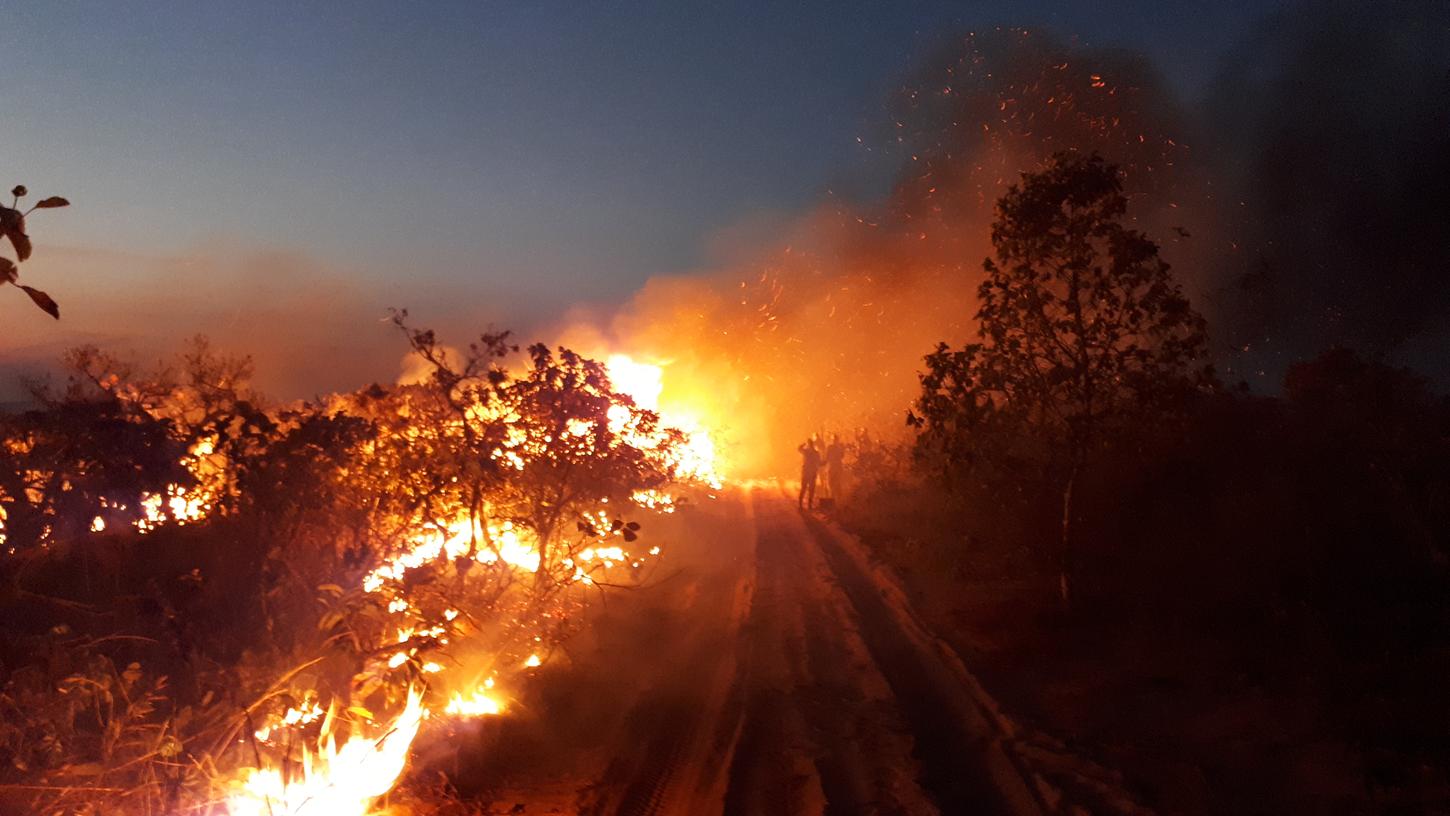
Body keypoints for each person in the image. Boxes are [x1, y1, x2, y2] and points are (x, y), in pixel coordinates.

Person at [797, 437, 822, 510]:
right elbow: (820, 463)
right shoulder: (816, 453)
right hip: (812, 473)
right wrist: (826, 462)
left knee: (804, 489)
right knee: (811, 489)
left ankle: (801, 504)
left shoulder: (806, 451)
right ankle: (809, 505)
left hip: (806, 473)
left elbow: (799, 448)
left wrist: (803, 444)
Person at [824, 434, 845, 505]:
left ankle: (833, 502)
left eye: (834, 439)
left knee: (831, 485)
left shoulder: (830, 447)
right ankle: (838, 502)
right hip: (837, 468)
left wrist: (823, 464)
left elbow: (826, 457)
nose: (834, 441)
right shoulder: (840, 447)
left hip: (832, 468)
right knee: (837, 485)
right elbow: (842, 456)